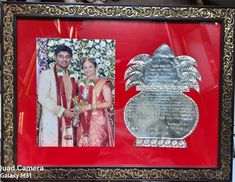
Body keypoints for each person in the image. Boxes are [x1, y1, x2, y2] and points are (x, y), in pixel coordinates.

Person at [38, 45, 78, 146]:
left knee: (67, 153)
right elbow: (42, 97)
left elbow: (75, 96)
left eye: (67, 57)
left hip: (69, 119)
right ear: (55, 57)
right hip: (52, 119)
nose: (64, 59)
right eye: (61, 56)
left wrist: (76, 109)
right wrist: (62, 111)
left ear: (70, 59)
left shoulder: (73, 76)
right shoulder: (46, 74)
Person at [76, 58, 114, 147]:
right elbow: (79, 100)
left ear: (95, 67)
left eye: (90, 66)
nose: (87, 69)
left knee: (96, 145)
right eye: (85, 67)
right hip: (83, 119)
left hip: (98, 119)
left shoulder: (103, 83)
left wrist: (90, 107)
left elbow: (109, 103)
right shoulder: (80, 82)